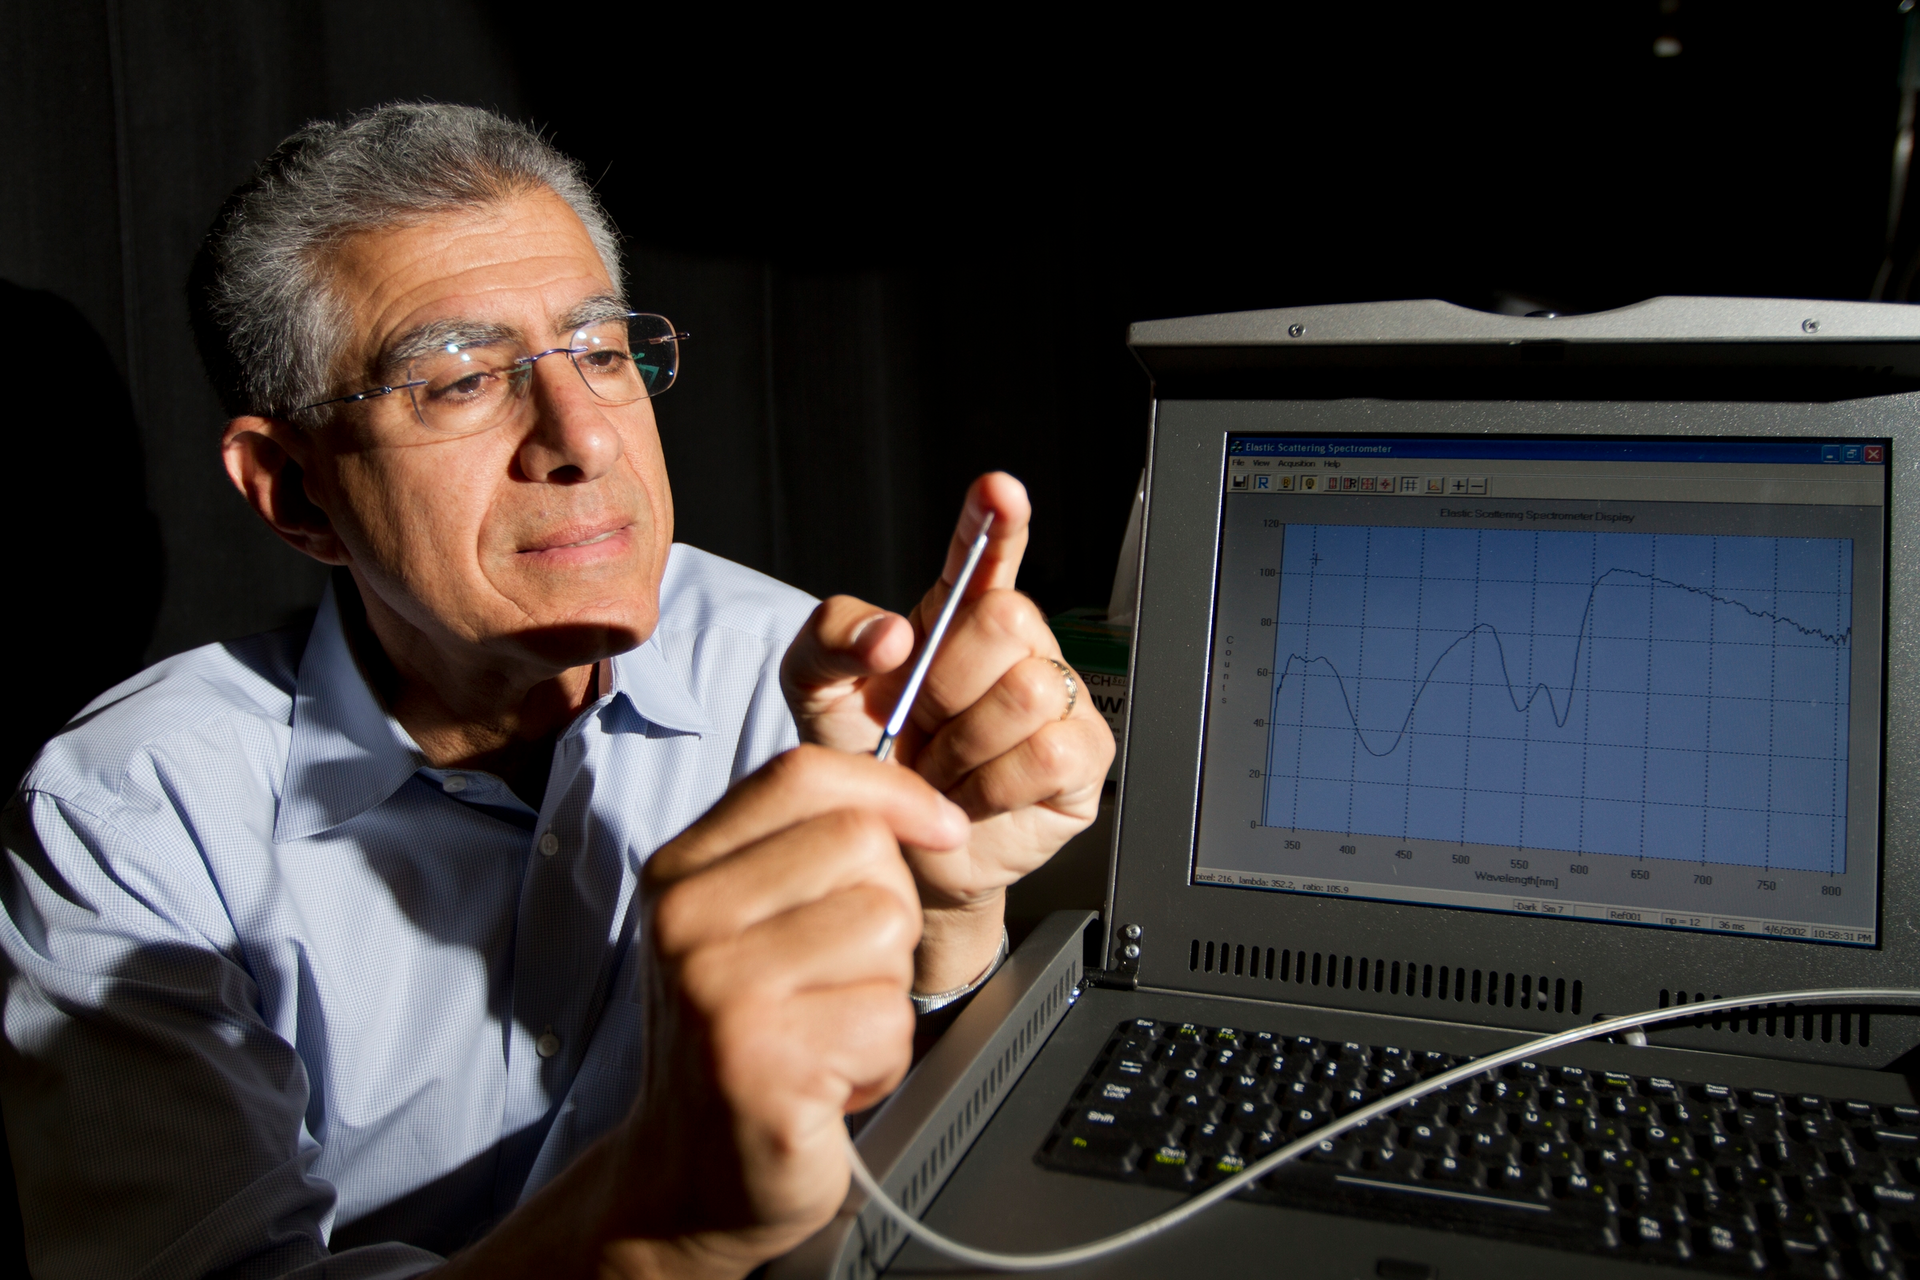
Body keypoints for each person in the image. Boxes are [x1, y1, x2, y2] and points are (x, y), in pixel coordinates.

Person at [0, 103, 1112, 1279]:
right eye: (461, 379)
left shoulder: (808, 678)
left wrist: (950, 930)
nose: (583, 436)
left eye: (601, 350)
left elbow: (923, 1213)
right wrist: (652, 1233)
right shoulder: (128, 819)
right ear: (292, 492)